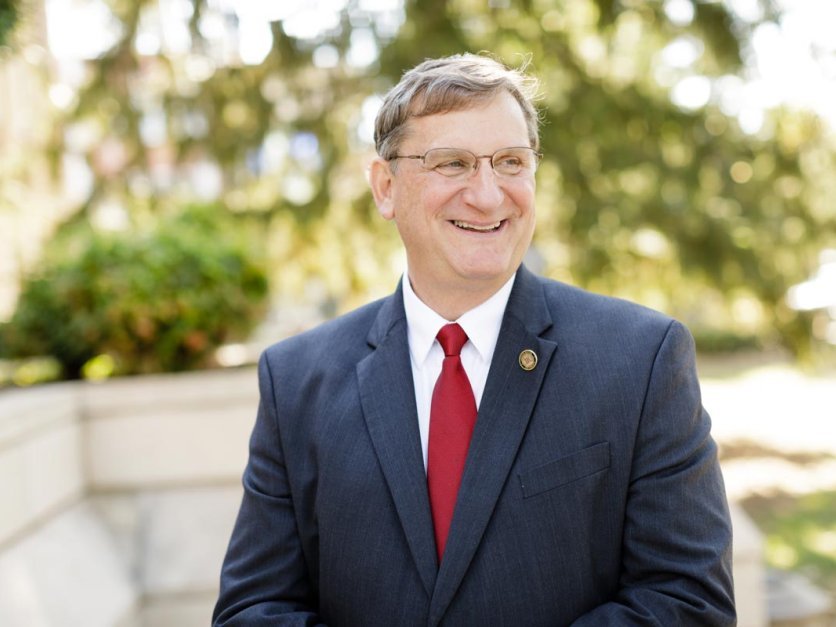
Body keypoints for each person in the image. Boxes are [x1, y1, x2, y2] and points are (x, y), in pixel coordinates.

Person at [213, 53, 735, 626]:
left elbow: (688, 604)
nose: (488, 195)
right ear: (386, 187)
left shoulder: (641, 360)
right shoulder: (294, 381)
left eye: (510, 162)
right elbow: (252, 611)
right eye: (453, 163)